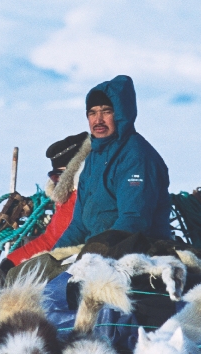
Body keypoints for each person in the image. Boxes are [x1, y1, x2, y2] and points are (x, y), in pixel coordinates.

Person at [54, 75, 172, 248]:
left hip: (137, 248)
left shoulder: (136, 157)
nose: (98, 120)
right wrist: (52, 255)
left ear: (121, 114)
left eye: (106, 111)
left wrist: (94, 250)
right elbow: (78, 224)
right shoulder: (94, 158)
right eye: (92, 113)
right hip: (97, 248)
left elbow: (133, 219)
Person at [0, 131, 90, 297]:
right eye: (53, 177)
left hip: (77, 260)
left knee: (13, 279)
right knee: (6, 271)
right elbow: (49, 238)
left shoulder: (80, 196)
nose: (57, 183)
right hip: (63, 254)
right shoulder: (66, 197)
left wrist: (12, 266)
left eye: (61, 176)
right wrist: (10, 261)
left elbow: (55, 240)